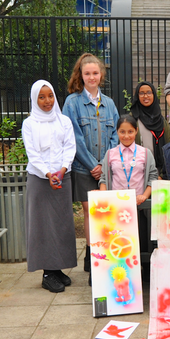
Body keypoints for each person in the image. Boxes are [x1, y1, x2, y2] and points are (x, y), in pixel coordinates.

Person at [62, 53, 120, 275]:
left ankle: (105, 251)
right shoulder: (72, 102)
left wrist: (104, 165)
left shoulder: (109, 104)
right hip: (83, 168)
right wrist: (92, 165)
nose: (92, 77)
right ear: (81, 75)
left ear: (101, 75)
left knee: (105, 212)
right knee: (90, 212)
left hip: (106, 169)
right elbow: (74, 138)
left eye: (95, 73)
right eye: (87, 73)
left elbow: (115, 134)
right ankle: (90, 253)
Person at [22, 80, 77, 293]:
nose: (47, 101)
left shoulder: (63, 121)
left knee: (62, 224)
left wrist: (62, 171)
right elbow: (32, 153)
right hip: (40, 180)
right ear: (35, 100)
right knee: (42, 226)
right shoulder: (30, 124)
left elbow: (69, 147)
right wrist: (48, 173)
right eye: (42, 97)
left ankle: (57, 268)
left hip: (63, 177)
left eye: (50, 96)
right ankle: (47, 273)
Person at [100, 115, 159, 260]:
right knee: (120, 242)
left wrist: (144, 195)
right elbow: (103, 178)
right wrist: (102, 197)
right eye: (122, 132)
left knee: (139, 240)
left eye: (130, 132)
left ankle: (142, 271)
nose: (126, 136)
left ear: (136, 131)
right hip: (117, 207)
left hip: (139, 205)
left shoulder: (145, 153)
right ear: (117, 132)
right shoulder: (110, 154)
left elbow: (152, 177)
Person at [130, 81, 170, 177]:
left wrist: (162, 175)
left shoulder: (161, 121)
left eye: (149, 92)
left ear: (154, 95)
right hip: (136, 173)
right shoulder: (132, 119)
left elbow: (168, 148)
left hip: (158, 172)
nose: (145, 96)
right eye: (142, 93)